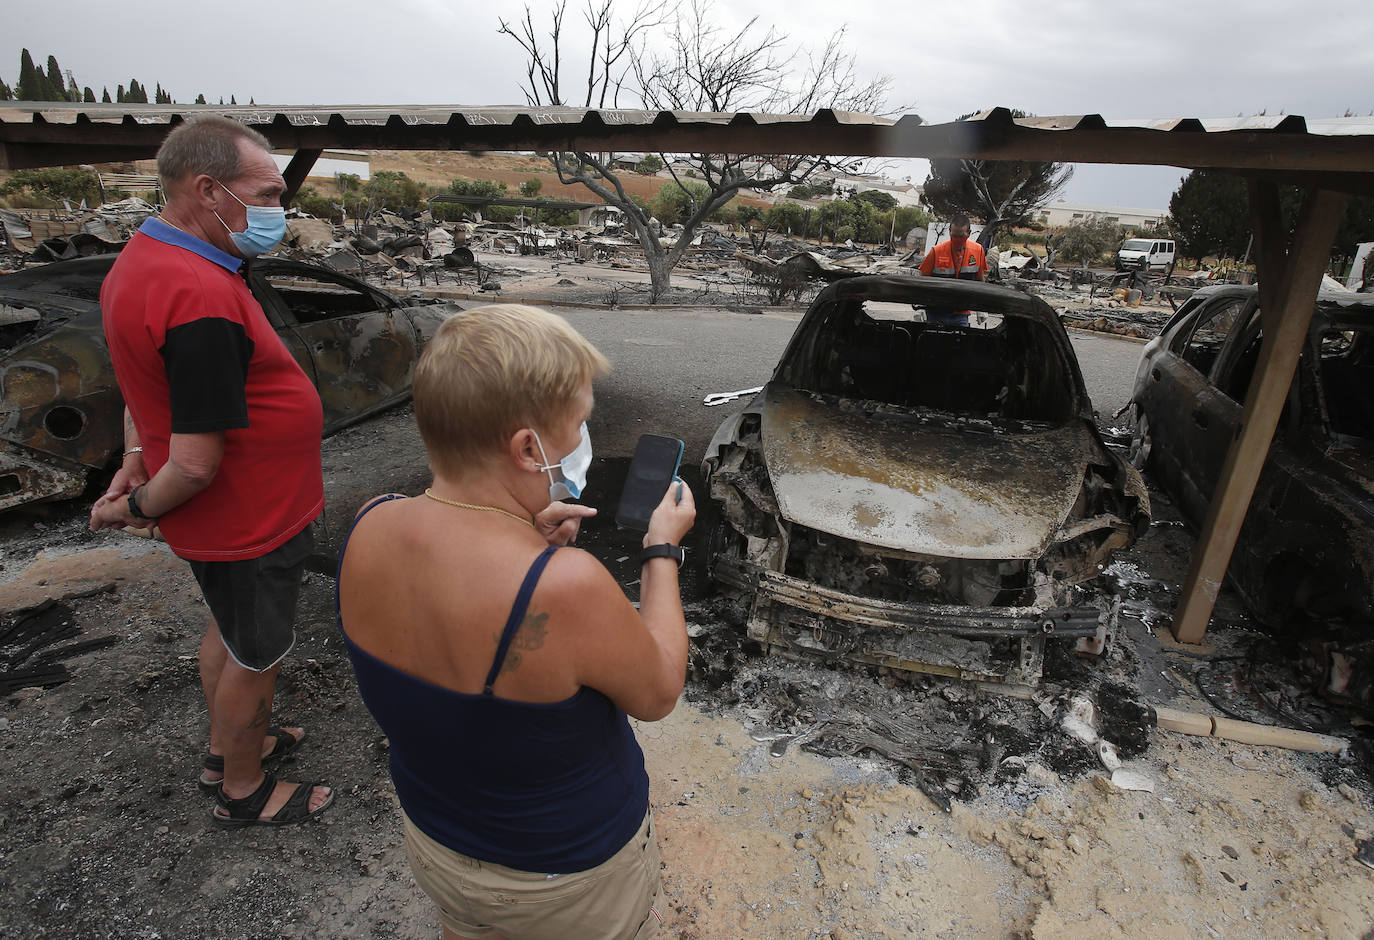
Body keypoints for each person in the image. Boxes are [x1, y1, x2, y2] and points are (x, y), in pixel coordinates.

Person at [336, 304, 694, 940]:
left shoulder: (371, 521)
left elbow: (451, 611)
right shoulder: (563, 587)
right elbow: (661, 689)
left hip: (437, 842)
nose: (584, 437)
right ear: (529, 448)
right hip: (564, 879)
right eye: (580, 424)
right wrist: (661, 550)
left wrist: (527, 543)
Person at [89, 114, 333, 827]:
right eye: (266, 194)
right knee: (258, 654)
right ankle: (244, 790)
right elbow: (195, 465)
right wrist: (131, 509)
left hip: (238, 515)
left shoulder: (150, 260)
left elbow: (146, 390)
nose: (277, 210)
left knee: (228, 635)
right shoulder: (196, 294)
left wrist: (135, 460)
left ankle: (227, 747)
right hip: (247, 518)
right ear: (207, 190)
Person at [918, 213, 988, 325]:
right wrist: (920, 306)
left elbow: (980, 280)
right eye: (954, 236)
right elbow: (922, 281)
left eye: (961, 236)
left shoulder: (977, 251)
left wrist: (981, 307)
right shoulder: (936, 252)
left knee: (960, 341)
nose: (956, 240)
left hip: (961, 313)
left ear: (968, 234)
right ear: (949, 232)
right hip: (936, 312)